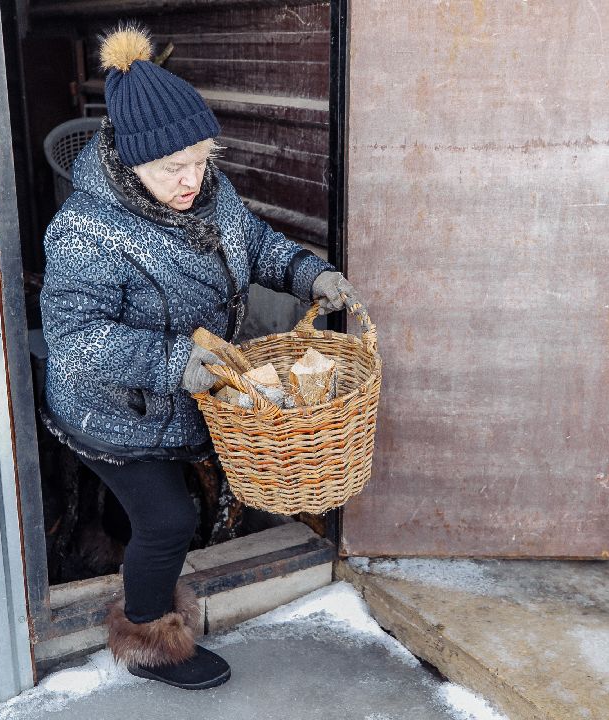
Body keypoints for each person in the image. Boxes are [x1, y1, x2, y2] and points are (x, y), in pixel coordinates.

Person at [39, 25, 361, 690]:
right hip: (111, 408)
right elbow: (76, 343)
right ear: (131, 161)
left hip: (185, 391)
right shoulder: (84, 232)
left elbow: (258, 244)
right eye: (171, 170)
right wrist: (173, 363)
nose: (191, 180)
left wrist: (310, 273)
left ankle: (123, 546)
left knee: (197, 487)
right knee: (168, 517)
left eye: (201, 160)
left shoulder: (212, 191)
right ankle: (149, 639)